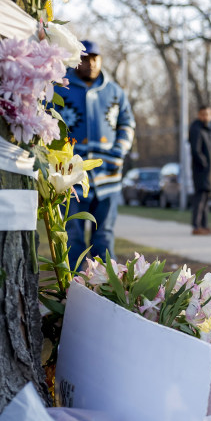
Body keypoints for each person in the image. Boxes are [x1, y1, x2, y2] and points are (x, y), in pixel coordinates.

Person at [56, 39, 136, 269]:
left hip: (107, 176)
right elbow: (49, 124)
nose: (90, 63)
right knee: (73, 235)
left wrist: (119, 151)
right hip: (71, 177)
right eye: (84, 58)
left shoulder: (114, 91)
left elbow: (127, 124)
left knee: (105, 236)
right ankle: (71, 288)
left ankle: (106, 288)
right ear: (76, 61)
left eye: (94, 58)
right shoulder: (61, 88)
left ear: (100, 60)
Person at [189, 105, 211, 235]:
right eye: (203, 114)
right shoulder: (196, 129)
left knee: (206, 199)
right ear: (199, 114)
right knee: (200, 199)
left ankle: (204, 225)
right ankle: (197, 226)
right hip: (201, 171)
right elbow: (196, 151)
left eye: (208, 114)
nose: (206, 117)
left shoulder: (208, 130)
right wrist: (205, 164)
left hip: (209, 172)